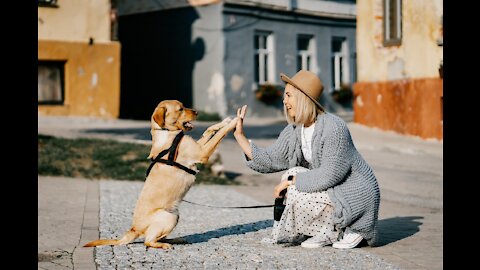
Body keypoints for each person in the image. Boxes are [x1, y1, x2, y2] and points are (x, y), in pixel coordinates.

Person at [233, 70, 380, 249]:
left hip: (354, 193)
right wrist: (240, 136)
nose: (284, 101)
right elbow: (271, 159)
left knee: (293, 181)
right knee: (292, 173)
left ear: (303, 98)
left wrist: (289, 182)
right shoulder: (295, 130)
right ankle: (326, 231)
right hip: (332, 189)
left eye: (288, 96)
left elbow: (330, 175)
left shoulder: (334, 128)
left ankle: (351, 228)